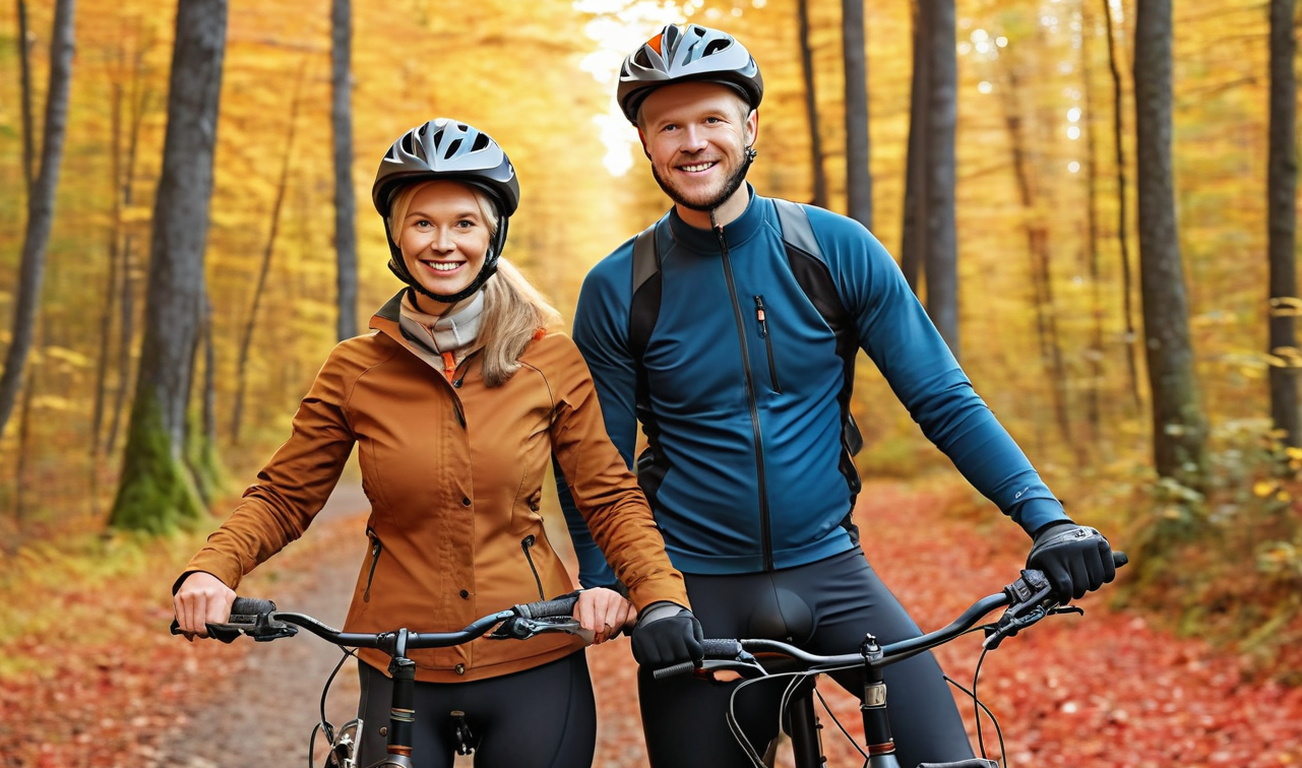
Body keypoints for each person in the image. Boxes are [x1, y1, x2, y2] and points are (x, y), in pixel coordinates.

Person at [558, 24, 1118, 768]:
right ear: (646, 142)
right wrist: (612, 584)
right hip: (695, 589)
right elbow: (600, 467)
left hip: (832, 572)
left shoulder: (834, 248)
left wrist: (1049, 523)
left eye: (712, 120)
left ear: (749, 127)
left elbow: (945, 401)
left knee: (945, 758)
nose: (693, 143)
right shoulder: (618, 288)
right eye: (670, 126)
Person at [172, 117, 700, 768]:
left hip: (531, 652)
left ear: (492, 235)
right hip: (397, 658)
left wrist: (661, 597)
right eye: (423, 223)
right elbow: (284, 495)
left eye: (464, 223)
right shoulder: (353, 368)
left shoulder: (548, 361)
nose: (442, 243)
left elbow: (609, 497)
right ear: (396, 235)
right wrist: (212, 569)